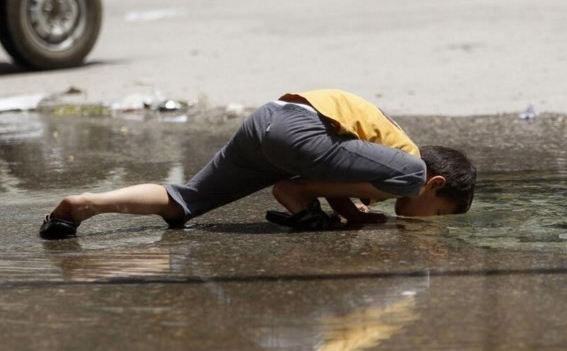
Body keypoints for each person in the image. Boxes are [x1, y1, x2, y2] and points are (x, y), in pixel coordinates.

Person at [39, 89, 476, 239]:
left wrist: (348, 211)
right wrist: (320, 200)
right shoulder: (409, 167)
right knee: (406, 176)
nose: (428, 221)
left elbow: (332, 166)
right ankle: (296, 197)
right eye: (437, 214)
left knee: (184, 202)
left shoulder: (381, 164)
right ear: (435, 186)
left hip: (266, 122)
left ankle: (84, 205)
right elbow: (325, 166)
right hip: (298, 128)